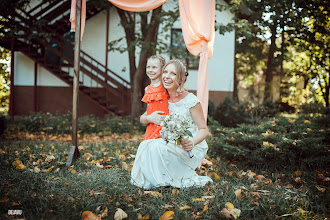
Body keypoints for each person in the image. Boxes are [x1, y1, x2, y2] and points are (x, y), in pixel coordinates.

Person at [131, 60, 213, 189]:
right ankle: (158, 181)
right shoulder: (162, 97)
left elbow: (203, 129)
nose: (167, 77)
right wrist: (150, 117)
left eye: (173, 74)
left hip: (190, 146)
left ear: (180, 78)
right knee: (147, 144)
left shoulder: (191, 100)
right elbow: (142, 119)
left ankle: (166, 181)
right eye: (165, 72)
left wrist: (191, 142)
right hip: (169, 142)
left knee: (154, 145)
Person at [140, 55, 169, 140]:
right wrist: (149, 118)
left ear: (162, 69)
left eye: (154, 67)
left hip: (164, 130)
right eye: (148, 67)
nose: (150, 70)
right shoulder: (147, 89)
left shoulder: (166, 87)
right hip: (151, 131)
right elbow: (146, 115)